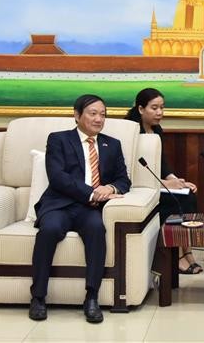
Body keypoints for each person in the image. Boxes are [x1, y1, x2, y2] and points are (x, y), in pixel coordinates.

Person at [29, 94, 130, 323]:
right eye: (93, 113)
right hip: (59, 204)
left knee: (96, 230)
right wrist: (92, 192)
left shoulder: (112, 144)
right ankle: (38, 297)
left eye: (103, 114)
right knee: (49, 230)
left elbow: (124, 180)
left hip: (90, 210)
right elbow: (57, 178)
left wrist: (110, 188)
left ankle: (92, 297)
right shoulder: (58, 139)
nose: (99, 119)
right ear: (77, 115)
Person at [125, 88, 202, 275]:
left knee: (189, 195)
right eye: (154, 108)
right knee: (177, 202)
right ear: (141, 108)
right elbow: (134, 170)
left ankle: (187, 251)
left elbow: (162, 164)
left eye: (162, 107)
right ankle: (176, 256)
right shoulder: (130, 131)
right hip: (137, 188)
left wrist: (177, 181)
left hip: (157, 184)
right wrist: (164, 185)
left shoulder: (157, 130)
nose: (160, 112)